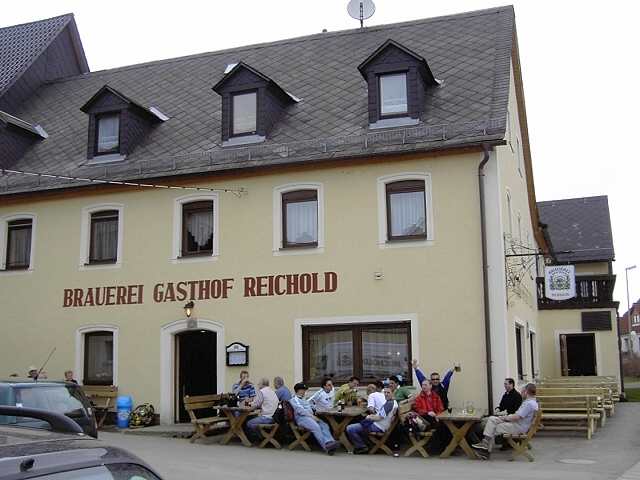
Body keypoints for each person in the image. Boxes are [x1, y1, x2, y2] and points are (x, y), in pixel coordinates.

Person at [472, 383, 539, 457]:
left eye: (522, 392)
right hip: (517, 424)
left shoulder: (529, 404)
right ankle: (485, 446)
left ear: (526, 392)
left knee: (492, 426)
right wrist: (505, 417)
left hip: (518, 427)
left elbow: (517, 417)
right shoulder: (531, 402)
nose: (521, 394)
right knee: (492, 419)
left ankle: (485, 450)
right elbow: (518, 416)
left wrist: (504, 418)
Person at [289, 382, 339, 455]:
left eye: (305, 390)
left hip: (310, 417)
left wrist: (316, 409)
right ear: (298, 390)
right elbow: (300, 410)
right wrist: (312, 416)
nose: (304, 391)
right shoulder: (294, 399)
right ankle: (326, 447)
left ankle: (330, 442)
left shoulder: (304, 399)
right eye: (303, 390)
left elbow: (311, 406)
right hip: (302, 418)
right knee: (316, 427)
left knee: (324, 425)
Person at [346, 387, 398, 454]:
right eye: (385, 392)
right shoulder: (393, 402)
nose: (386, 394)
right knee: (361, 422)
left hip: (378, 426)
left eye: (388, 392)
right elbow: (380, 415)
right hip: (382, 425)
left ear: (393, 393)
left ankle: (361, 447)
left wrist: (369, 417)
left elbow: (379, 417)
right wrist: (371, 416)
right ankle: (365, 444)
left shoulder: (389, 404)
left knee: (350, 428)